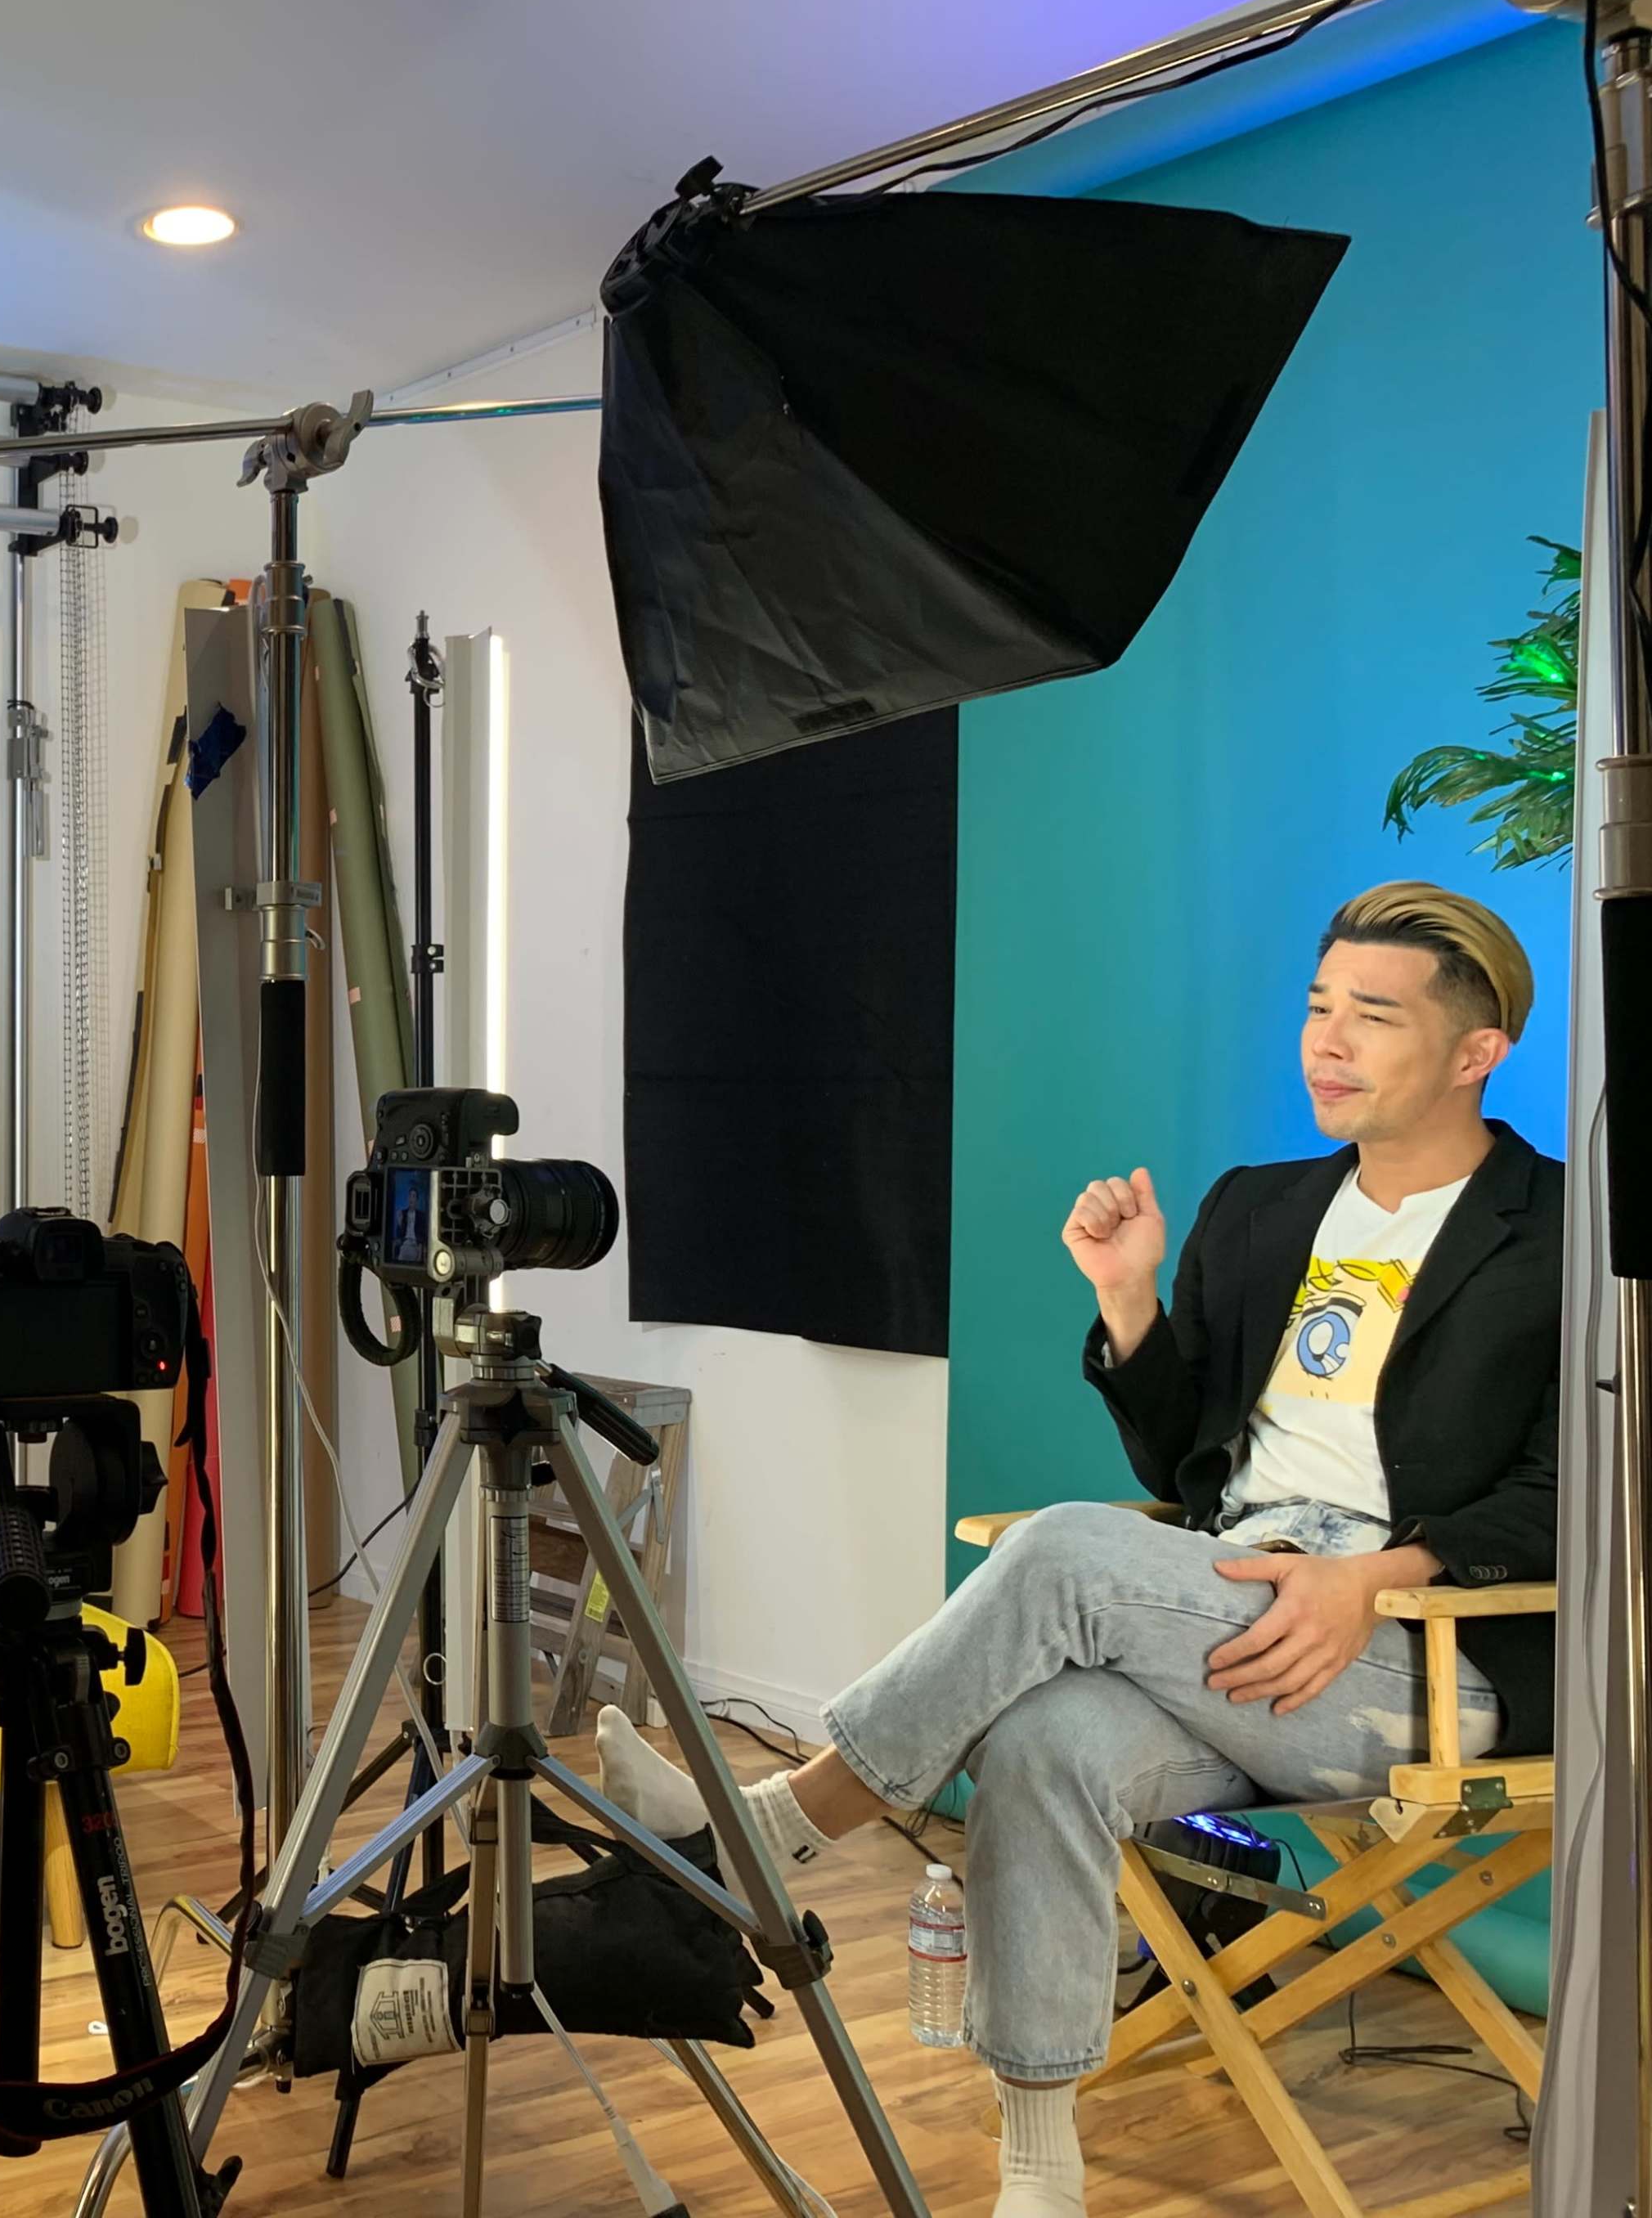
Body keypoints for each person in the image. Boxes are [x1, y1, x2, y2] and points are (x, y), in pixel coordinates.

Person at [596, 882, 1559, 2218]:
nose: (1327, 1041)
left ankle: (770, 1829)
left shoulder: (1569, 1233)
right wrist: (1129, 1302)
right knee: (1042, 1744)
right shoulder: (1259, 1209)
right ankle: (1039, 2165)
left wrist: (1370, 1581)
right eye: (1318, 1006)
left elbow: (1573, 1494)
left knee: (1059, 1552)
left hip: (1415, 1662)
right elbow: (1181, 1473)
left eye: (1373, 1016)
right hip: (1229, 1610)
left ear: (1476, 1051)